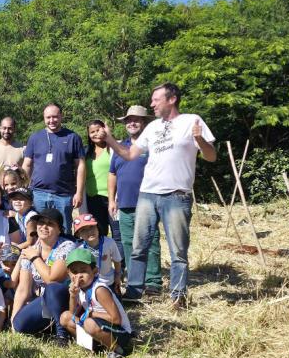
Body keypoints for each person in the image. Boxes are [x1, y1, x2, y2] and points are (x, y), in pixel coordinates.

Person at [102, 84, 217, 309]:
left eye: (156, 100)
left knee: (178, 250)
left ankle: (177, 297)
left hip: (176, 195)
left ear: (172, 99)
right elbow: (129, 154)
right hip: (147, 194)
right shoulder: (153, 127)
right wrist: (110, 139)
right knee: (138, 247)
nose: (152, 104)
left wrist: (200, 140)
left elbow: (211, 156)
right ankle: (134, 292)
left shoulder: (192, 121)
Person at [108, 105, 161, 295]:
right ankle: (134, 282)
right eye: (129, 120)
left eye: (136, 120)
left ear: (144, 122)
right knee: (129, 242)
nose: (132, 123)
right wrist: (112, 200)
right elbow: (112, 173)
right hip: (125, 204)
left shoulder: (152, 145)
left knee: (151, 241)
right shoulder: (120, 147)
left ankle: (153, 281)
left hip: (148, 202)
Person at [11, 209, 76, 342]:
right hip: (45, 300)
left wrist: (34, 257)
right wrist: (13, 319)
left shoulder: (67, 246)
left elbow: (52, 278)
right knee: (19, 325)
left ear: (59, 230)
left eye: (50, 224)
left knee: (52, 288)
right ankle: (52, 326)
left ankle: (62, 334)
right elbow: (23, 289)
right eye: (41, 222)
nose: (44, 226)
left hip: (68, 299)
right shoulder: (32, 249)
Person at [58, 248, 134, 358]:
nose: (79, 276)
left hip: (121, 335)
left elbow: (116, 319)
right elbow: (73, 314)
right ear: (68, 273)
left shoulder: (99, 290)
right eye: (74, 272)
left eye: (83, 270)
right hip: (101, 329)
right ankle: (93, 347)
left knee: (89, 323)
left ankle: (118, 351)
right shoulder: (81, 290)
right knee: (65, 317)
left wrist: (92, 313)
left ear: (95, 271)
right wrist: (73, 296)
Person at [22, 103, 86, 234]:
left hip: (63, 195)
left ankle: (65, 254)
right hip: (38, 193)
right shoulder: (35, 138)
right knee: (40, 230)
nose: (51, 120)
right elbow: (27, 164)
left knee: (64, 230)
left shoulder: (72, 137)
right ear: (44, 118)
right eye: (48, 117)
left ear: (61, 116)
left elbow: (80, 166)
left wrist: (79, 192)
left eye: (55, 117)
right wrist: (24, 189)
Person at [72, 213, 122, 294]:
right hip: (89, 284)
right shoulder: (79, 249)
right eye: (83, 230)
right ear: (78, 235)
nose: (89, 231)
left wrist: (117, 276)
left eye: (92, 227)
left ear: (98, 227)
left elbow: (117, 261)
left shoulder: (109, 242)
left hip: (109, 281)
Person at [83, 120, 114, 237]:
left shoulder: (112, 149)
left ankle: (119, 256)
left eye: (98, 130)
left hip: (112, 198)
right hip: (93, 198)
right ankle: (102, 255)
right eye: (92, 132)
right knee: (99, 233)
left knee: (117, 233)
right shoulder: (86, 152)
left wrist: (109, 137)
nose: (96, 134)